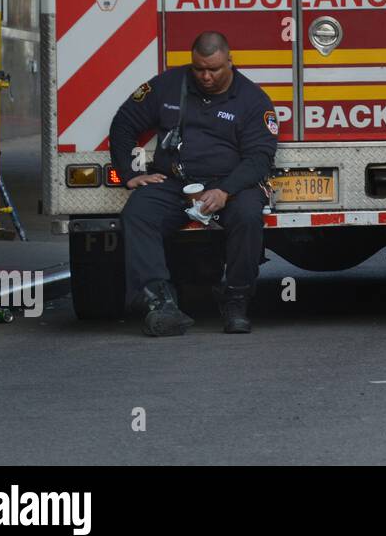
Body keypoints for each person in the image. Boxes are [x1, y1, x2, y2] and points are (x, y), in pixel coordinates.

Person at [109, 31, 278, 336]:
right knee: (138, 212)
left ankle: (237, 300)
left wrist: (225, 190)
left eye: (214, 69)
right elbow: (124, 122)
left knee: (249, 215)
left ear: (230, 61)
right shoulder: (168, 85)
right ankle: (160, 304)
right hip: (175, 182)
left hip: (227, 185)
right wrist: (128, 173)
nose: (206, 76)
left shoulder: (252, 99)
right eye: (199, 68)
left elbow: (259, 158)